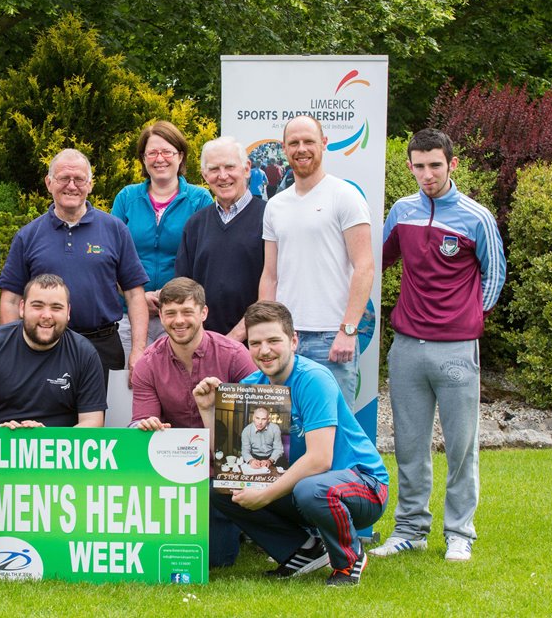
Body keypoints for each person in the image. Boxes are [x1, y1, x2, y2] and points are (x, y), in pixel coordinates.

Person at [373, 128, 505, 562]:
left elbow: (495, 275)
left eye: (435, 165)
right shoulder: (402, 211)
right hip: (407, 345)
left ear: (452, 164)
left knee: (461, 445)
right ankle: (410, 528)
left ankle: (459, 533)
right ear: (409, 166)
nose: (427, 174)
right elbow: (381, 259)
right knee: (409, 444)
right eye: (419, 165)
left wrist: (468, 320)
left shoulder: (476, 216)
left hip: (456, 348)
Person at [210, 301, 388, 587]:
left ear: (294, 341)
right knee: (222, 489)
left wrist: (265, 494)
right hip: (310, 487)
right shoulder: (252, 385)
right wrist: (207, 408)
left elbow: (320, 460)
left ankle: (349, 558)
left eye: (273, 341)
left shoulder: (313, 379)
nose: (264, 350)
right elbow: (228, 461)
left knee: (311, 488)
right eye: (255, 343)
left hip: (364, 484)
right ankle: (303, 549)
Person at [0, 274, 106, 558]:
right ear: (22, 308)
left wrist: (46, 443)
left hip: (58, 465)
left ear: (68, 313)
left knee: (61, 546)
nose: (46, 316)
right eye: (38, 306)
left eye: (56, 307)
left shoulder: (84, 353)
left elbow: (93, 423)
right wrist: (4, 445)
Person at [129, 277, 255, 567]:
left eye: (187, 311)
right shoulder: (148, 363)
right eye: (170, 313)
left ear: (203, 313)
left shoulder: (235, 356)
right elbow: (139, 424)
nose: (179, 321)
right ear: (160, 316)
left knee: (218, 560)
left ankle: (244, 527)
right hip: (173, 471)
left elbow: (255, 431)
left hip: (226, 472)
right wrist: (146, 427)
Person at [0, 149, 149, 381]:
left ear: (90, 184)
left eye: (79, 179)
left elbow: (135, 295)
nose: (71, 185)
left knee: (105, 417)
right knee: (48, 416)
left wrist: (138, 351)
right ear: (49, 183)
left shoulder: (115, 229)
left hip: (103, 345)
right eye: (63, 178)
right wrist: (15, 349)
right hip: (45, 344)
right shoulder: (28, 236)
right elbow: (10, 300)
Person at [258, 116, 374, 409]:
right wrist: (264, 333)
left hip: (331, 339)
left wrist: (348, 331)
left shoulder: (345, 196)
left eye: (309, 141)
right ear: (284, 149)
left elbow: (365, 267)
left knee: (334, 436)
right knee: (283, 439)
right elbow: (270, 275)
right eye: (294, 143)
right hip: (285, 337)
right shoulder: (275, 205)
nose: (301, 149)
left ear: (323, 143)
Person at [111, 121, 212, 356]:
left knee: (178, 387)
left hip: (180, 316)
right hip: (129, 316)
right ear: (143, 159)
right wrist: (136, 296)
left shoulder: (200, 199)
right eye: (152, 153)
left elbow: (205, 261)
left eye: (167, 152)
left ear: (181, 156)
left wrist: (172, 299)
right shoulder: (126, 198)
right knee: (130, 385)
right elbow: (111, 258)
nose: (160, 159)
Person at [175, 137, 266, 341]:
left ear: (246, 168)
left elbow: (276, 287)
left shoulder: (269, 218)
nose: (223, 176)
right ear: (204, 175)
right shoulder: (195, 224)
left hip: (258, 346)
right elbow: (184, 288)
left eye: (230, 167)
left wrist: (233, 339)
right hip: (205, 345)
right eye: (214, 169)